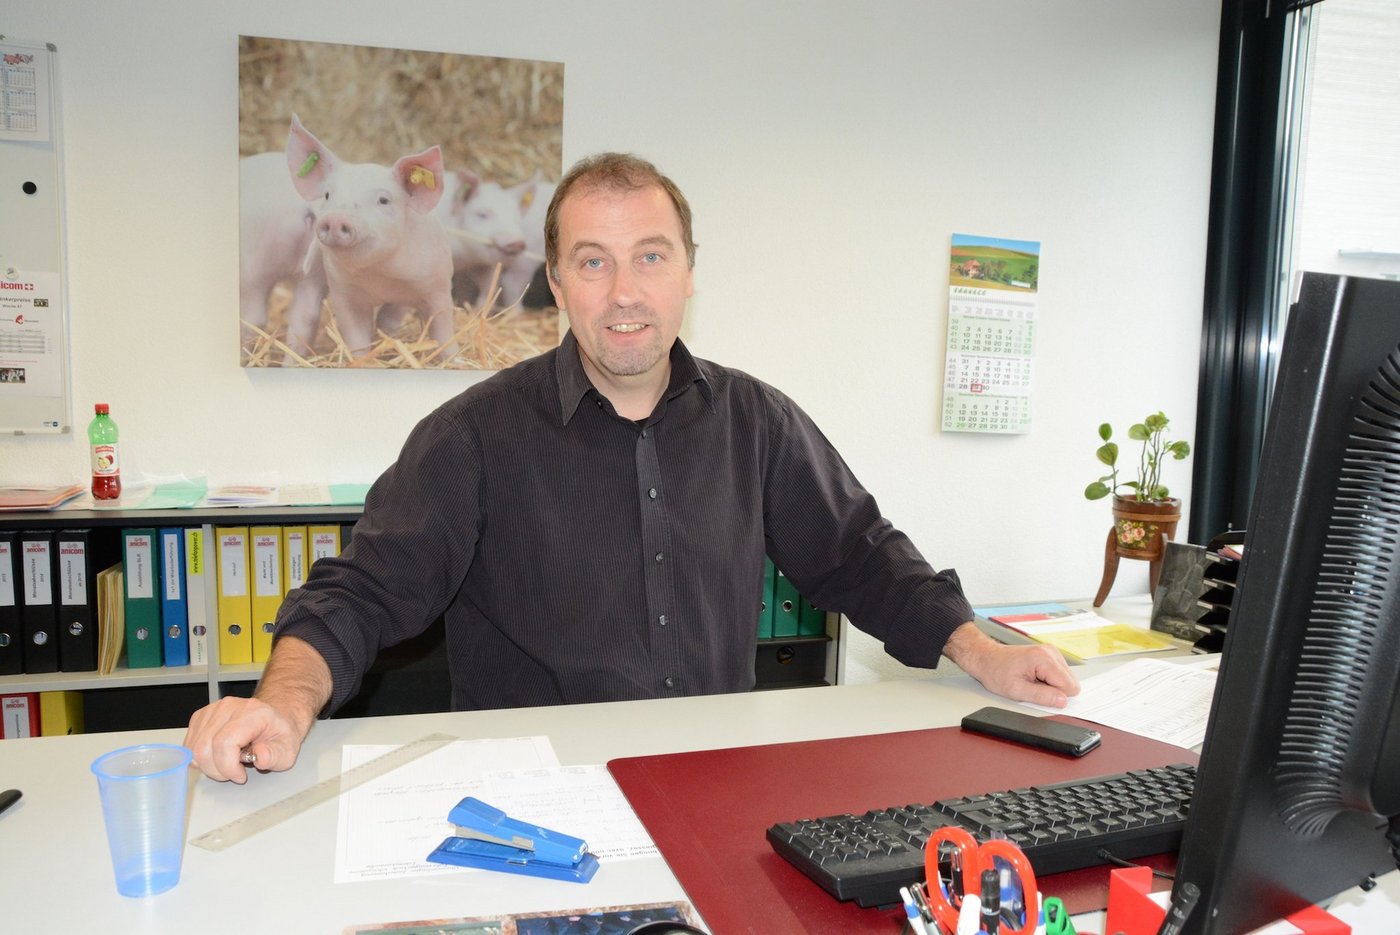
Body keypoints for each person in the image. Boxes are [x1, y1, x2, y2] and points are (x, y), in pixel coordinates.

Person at [184, 152, 1078, 782]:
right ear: (558, 282)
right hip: (532, 802)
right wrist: (285, 702)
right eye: (593, 262)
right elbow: (359, 591)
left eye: (651, 257)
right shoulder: (474, 436)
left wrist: (981, 650)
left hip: (712, 780)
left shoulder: (754, 420)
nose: (624, 292)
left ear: (689, 273)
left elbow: (859, 552)